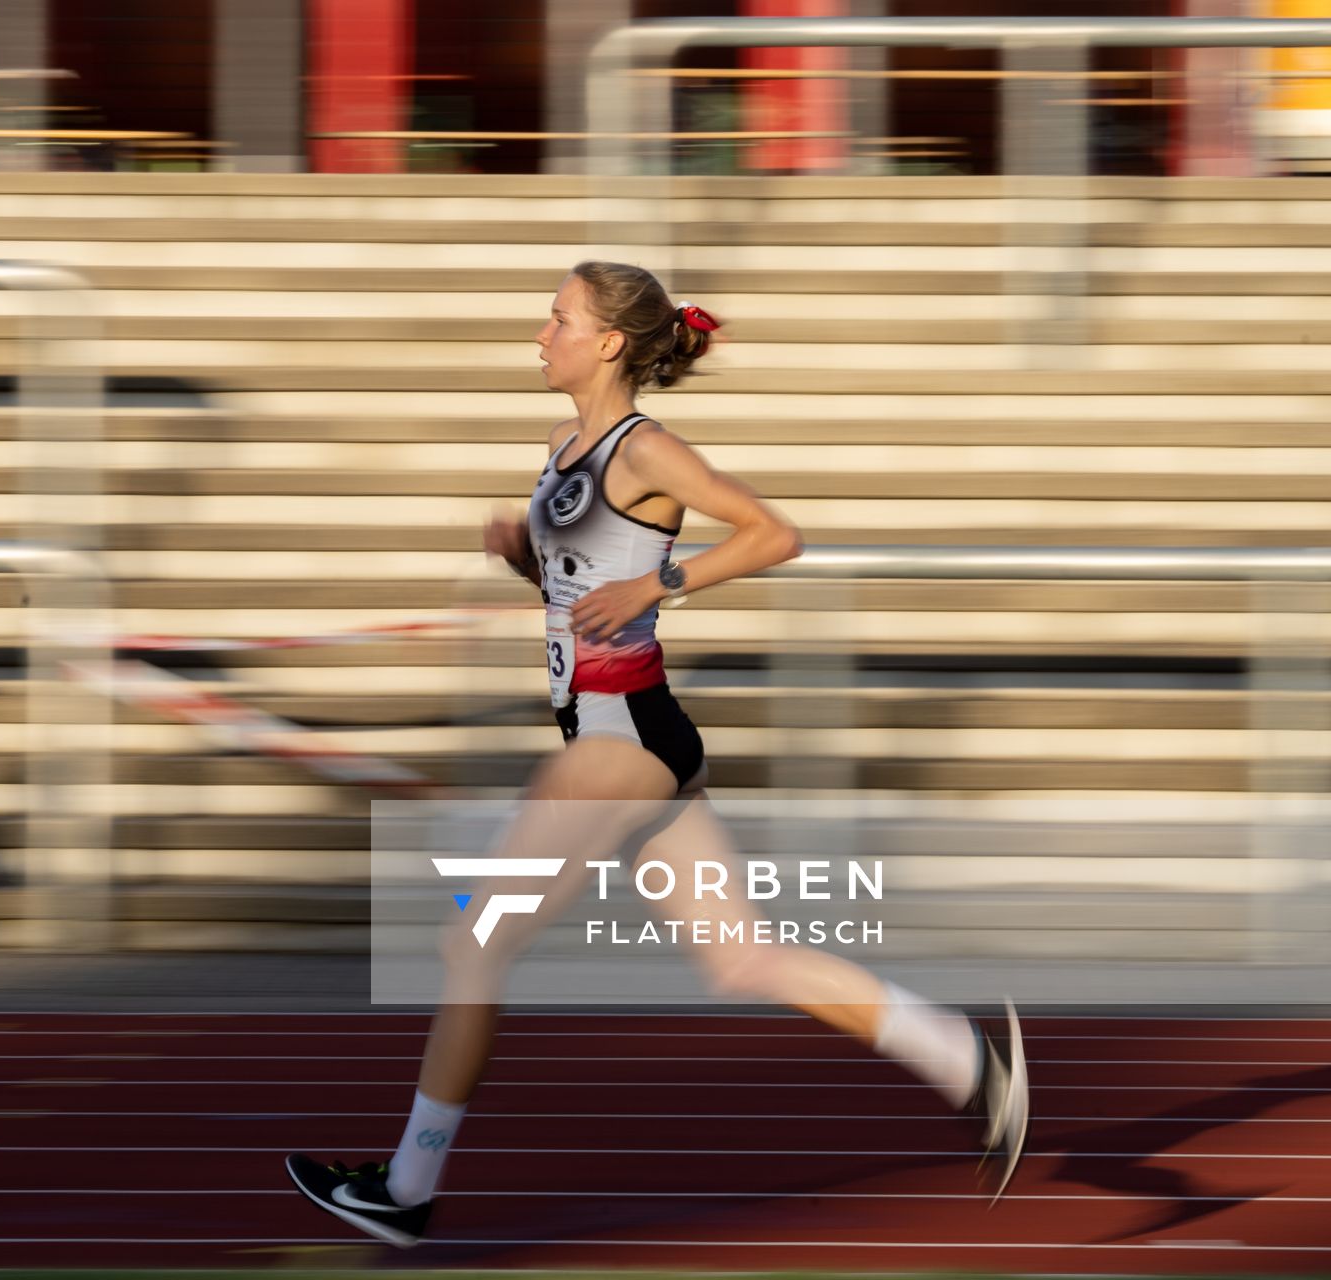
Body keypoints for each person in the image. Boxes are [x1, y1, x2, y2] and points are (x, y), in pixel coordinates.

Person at [285, 261, 1029, 1247]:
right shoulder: (565, 447)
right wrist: (523, 553)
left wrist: (662, 583)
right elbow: (586, 578)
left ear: (606, 343)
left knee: (473, 939)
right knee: (740, 957)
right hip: (629, 735)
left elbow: (774, 533)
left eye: (557, 318)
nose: (537, 333)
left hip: (620, 732)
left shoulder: (647, 449)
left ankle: (408, 1184)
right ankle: (968, 1060)